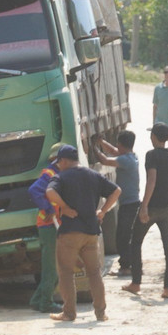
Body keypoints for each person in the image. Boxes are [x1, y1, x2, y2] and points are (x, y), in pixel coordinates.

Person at [46, 144, 120, 323]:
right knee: (94, 273)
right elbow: (116, 191)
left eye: (59, 162)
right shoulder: (93, 175)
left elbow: (49, 192)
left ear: (63, 160)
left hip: (70, 232)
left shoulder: (61, 177)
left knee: (66, 272)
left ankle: (69, 313)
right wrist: (102, 211)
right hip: (91, 232)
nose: (58, 165)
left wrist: (64, 207)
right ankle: (101, 313)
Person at [121, 122, 168, 300]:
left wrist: (144, 206)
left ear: (153, 137)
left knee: (136, 242)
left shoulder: (151, 155)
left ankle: (136, 283)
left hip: (152, 207)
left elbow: (151, 181)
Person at [93, 130, 141, 278]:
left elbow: (105, 160)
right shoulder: (131, 156)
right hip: (131, 203)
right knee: (126, 236)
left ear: (121, 144)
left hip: (129, 205)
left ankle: (126, 267)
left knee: (123, 237)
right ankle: (129, 265)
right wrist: (101, 142)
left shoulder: (126, 160)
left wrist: (93, 146)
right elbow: (113, 151)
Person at [26, 142, 65, 314]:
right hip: (49, 226)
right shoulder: (51, 174)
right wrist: (48, 208)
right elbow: (34, 190)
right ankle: (46, 304)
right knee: (52, 269)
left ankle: (37, 300)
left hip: (49, 225)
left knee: (51, 267)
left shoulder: (54, 173)